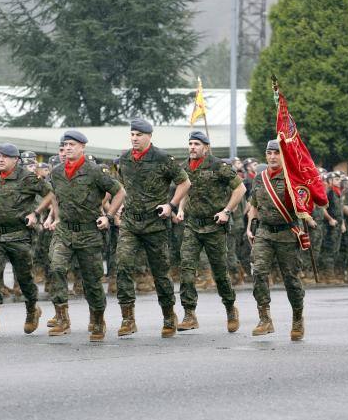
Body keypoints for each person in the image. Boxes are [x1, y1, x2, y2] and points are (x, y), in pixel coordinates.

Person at [44, 132, 124, 341]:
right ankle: (62, 319)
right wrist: (55, 216)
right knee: (57, 268)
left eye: (72, 144)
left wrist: (108, 215)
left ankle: (97, 319)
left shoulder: (94, 171)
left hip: (89, 232)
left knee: (92, 281)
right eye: (65, 145)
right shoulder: (57, 172)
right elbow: (54, 196)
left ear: (82, 147)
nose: (68, 148)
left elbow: (119, 191)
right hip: (65, 231)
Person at [115, 118, 190, 338]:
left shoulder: (162, 158)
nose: (134, 138)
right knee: (123, 265)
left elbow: (185, 182)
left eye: (139, 135)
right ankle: (128, 318)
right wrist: (117, 208)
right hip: (130, 223)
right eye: (132, 134)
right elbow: (121, 185)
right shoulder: (124, 159)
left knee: (160, 272)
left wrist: (171, 204)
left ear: (149, 136)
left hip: (154, 223)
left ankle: (168, 315)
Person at [0, 143, 54, 334]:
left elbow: (50, 193)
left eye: (5, 157)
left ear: (15, 160)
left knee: (24, 277)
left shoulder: (27, 177)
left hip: (20, 235)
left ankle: (32, 309)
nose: (0, 159)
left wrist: (36, 212)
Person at [175, 131, 246, 332]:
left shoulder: (218, 166)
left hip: (215, 226)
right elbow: (184, 191)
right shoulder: (184, 167)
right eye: (190, 143)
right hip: (192, 226)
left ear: (206, 146)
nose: (192, 147)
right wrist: (180, 209)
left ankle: (231, 308)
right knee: (187, 269)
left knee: (220, 272)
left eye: (196, 144)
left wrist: (226, 211)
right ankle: (189, 314)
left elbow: (240, 189)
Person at [245, 140, 307, 341]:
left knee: (291, 279)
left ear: (283, 155)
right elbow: (254, 204)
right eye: (269, 153)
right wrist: (249, 225)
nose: (272, 157)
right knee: (259, 272)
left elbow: (306, 203)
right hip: (264, 233)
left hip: (287, 234)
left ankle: (297, 318)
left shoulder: (293, 178)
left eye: (276, 153)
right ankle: (265, 319)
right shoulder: (259, 178)